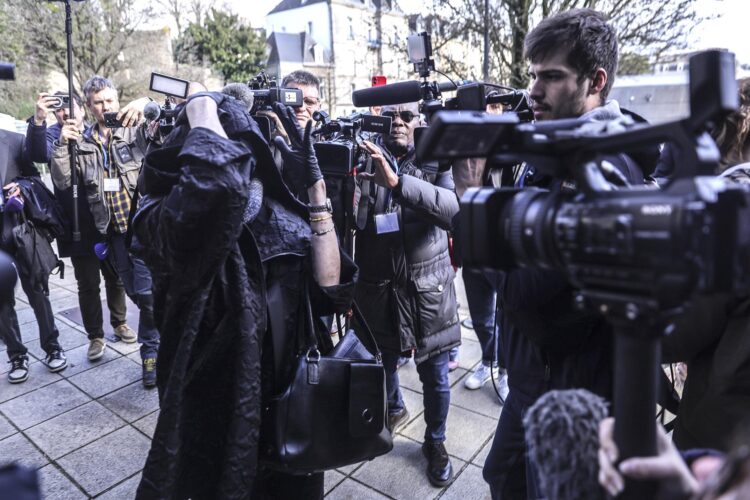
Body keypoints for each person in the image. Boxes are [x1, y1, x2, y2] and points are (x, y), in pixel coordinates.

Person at [132, 92, 356, 499]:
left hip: (292, 399)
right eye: (224, 143)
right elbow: (216, 187)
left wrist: (318, 194)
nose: (239, 153)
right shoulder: (165, 214)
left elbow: (329, 291)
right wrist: (200, 104)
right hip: (217, 406)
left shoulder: (282, 211)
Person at [481, 9, 652, 499]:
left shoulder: (601, 166)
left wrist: (473, 207)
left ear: (595, 81)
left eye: (551, 77)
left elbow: (522, 291)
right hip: (533, 378)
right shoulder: (559, 144)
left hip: (572, 390)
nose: (533, 90)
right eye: (533, 75)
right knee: (500, 474)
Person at [355, 101, 461, 487]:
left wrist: (399, 185)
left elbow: (452, 212)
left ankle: (435, 442)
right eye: (390, 116)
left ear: (420, 122)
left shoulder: (436, 161)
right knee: (381, 363)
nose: (397, 122)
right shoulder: (364, 153)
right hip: (379, 289)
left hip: (427, 289)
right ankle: (394, 409)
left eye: (406, 116)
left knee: (434, 376)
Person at [50, 75, 160, 387]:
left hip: (142, 230)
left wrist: (145, 105)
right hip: (112, 235)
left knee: (149, 296)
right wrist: (61, 143)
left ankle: (150, 355)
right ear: (89, 106)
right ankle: (161, 336)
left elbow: (165, 125)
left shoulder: (135, 131)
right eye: (98, 102)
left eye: (110, 100)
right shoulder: (80, 143)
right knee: (138, 295)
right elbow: (61, 180)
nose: (105, 107)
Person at [24, 90, 133, 361]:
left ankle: (119, 322)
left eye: (69, 107)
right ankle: (95, 335)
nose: (65, 114)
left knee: (116, 276)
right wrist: (40, 121)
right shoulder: (53, 134)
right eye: (58, 109)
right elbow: (38, 153)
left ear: (82, 108)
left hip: (108, 219)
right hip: (77, 224)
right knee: (87, 283)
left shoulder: (97, 130)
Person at [0, 129, 67, 383]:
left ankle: (52, 346)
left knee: (36, 289)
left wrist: (20, 187)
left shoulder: (14, 140)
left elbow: (34, 178)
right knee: (1, 301)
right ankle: (16, 354)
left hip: (19, 229)